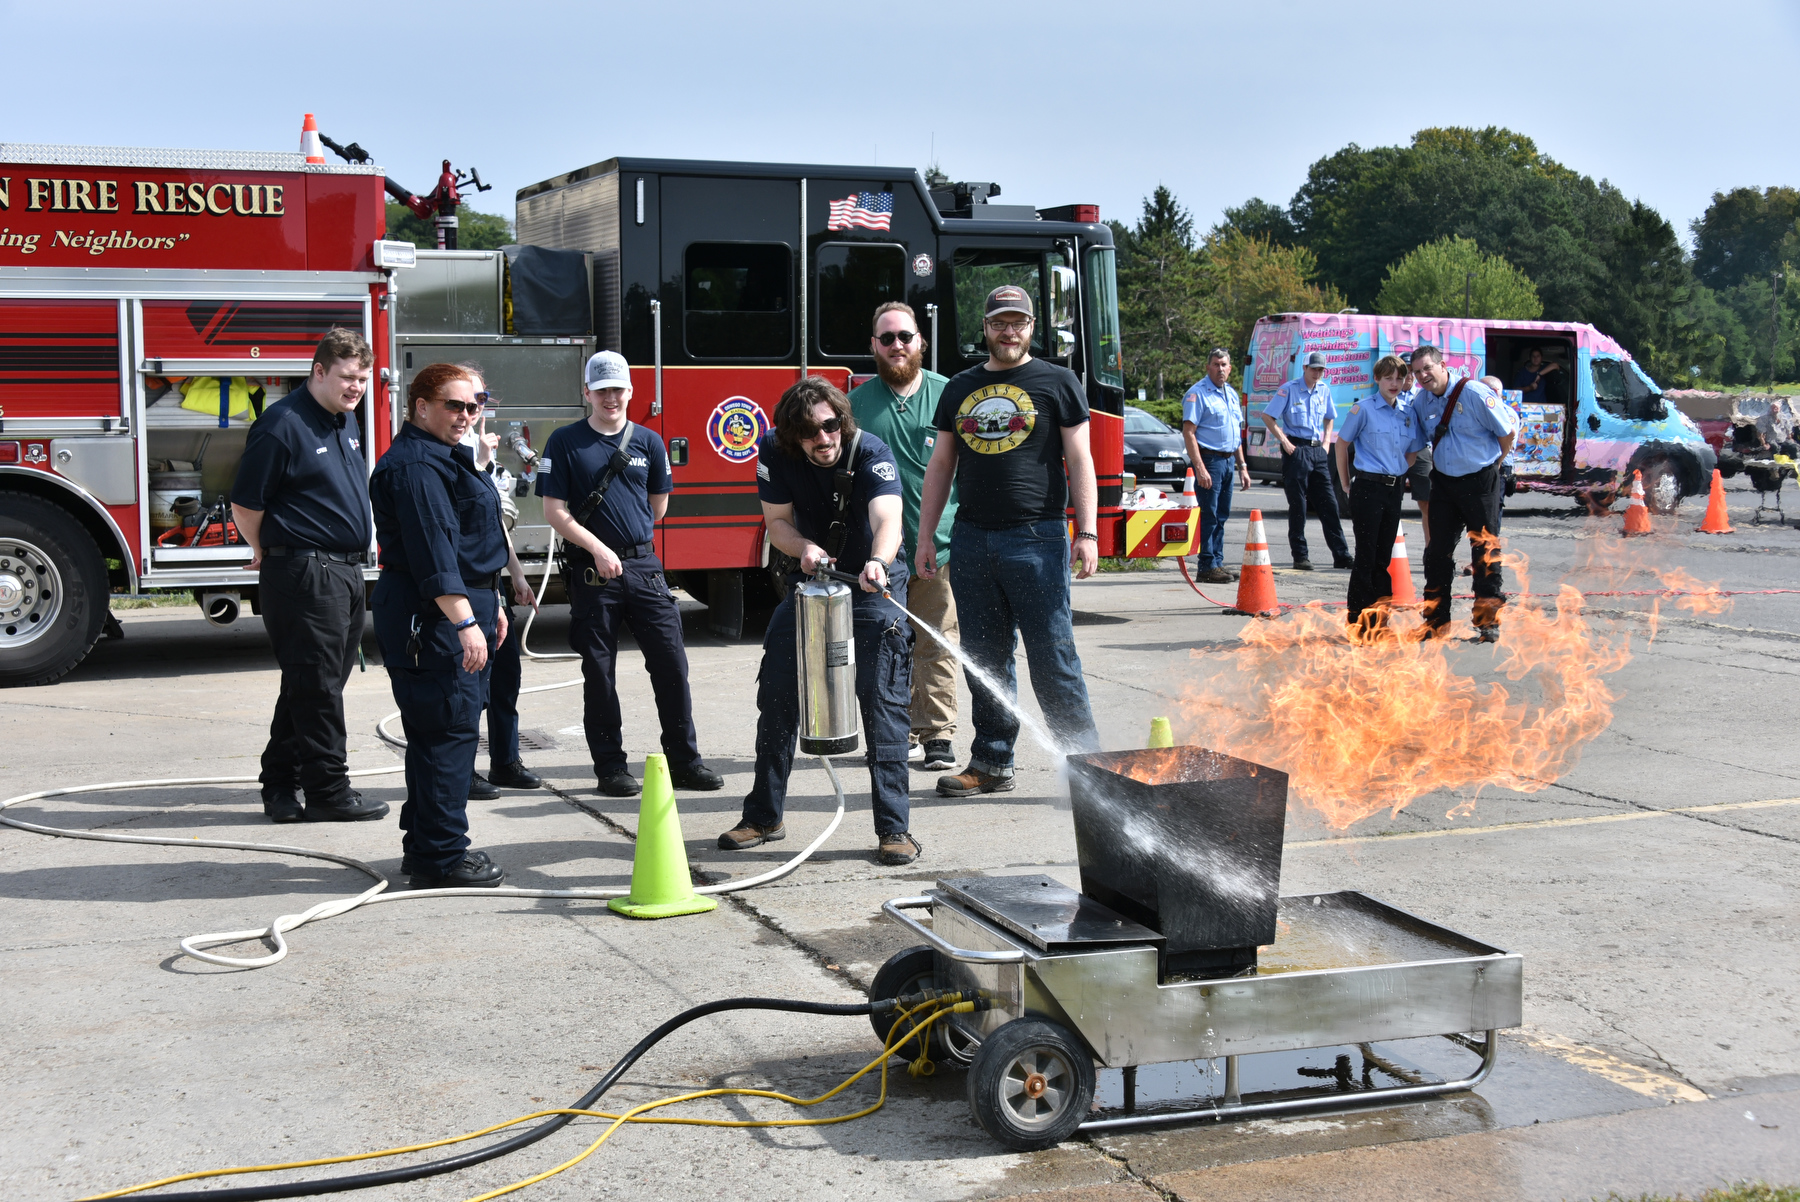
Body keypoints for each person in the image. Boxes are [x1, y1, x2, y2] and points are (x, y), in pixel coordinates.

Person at [720, 377, 920, 865]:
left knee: (883, 702)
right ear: (791, 437)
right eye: (810, 433)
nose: (824, 439)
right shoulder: (773, 451)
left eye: (831, 426)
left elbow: (889, 518)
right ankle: (764, 817)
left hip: (874, 584)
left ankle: (894, 830)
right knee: (779, 695)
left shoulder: (870, 450)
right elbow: (777, 524)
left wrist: (878, 559)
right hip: (814, 582)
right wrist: (805, 548)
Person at [915, 284, 1101, 797]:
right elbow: (941, 465)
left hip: (1037, 538)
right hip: (972, 539)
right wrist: (927, 536)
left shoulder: (1059, 382)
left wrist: (1086, 531)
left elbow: (1081, 460)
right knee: (985, 661)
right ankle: (992, 764)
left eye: (1018, 322)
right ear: (987, 328)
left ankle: (1087, 769)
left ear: (1032, 327)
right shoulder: (960, 387)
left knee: (1053, 658)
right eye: (1000, 322)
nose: (1009, 331)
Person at [541, 351, 723, 798]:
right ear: (587, 392)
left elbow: (657, 505)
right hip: (591, 570)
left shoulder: (648, 441)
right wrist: (599, 548)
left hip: (644, 567)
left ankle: (685, 761)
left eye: (618, 389)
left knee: (671, 665)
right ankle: (610, 768)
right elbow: (554, 511)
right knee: (599, 672)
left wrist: (628, 544)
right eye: (601, 390)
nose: (611, 398)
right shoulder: (565, 442)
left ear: (631, 391)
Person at [230, 329, 388, 825]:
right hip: (304, 570)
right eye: (346, 377)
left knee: (313, 683)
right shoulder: (282, 425)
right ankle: (328, 790)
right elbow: (245, 504)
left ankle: (280, 784)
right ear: (318, 371)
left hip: (342, 570)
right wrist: (267, 550)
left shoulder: (345, 419)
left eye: (362, 378)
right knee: (317, 687)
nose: (356, 387)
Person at [368, 363, 510, 888]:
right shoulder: (415, 467)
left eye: (475, 405)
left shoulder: (442, 457)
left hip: (451, 609)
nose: (467, 415)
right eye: (455, 405)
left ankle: (425, 845)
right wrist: (465, 621)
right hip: (432, 619)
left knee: (436, 735)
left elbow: (471, 544)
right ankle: (443, 857)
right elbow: (434, 553)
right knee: (447, 735)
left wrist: (487, 601)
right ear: (421, 405)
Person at [849, 302, 959, 772]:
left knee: (936, 640)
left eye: (905, 337)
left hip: (939, 544)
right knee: (887, 644)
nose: (897, 345)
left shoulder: (950, 394)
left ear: (922, 342)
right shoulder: (852, 405)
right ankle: (897, 733)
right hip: (880, 552)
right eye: (887, 338)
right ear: (873, 345)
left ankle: (938, 735)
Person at [459, 367, 541, 799]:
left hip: (492, 586)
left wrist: (518, 576)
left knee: (506, 676)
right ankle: (464, 771)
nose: (474, 411)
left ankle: (506, 762)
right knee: (470, 686)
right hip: (462, 588)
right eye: (467, 402)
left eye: (480, 401)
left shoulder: (483, 449)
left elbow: (497, 525)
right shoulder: (448, 450)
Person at [1407, 346, 1519, 644]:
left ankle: (1486, 622)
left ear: (1443, 365)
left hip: (1480, 481)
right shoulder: (1421, 401)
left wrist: (1493, 465)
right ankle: (1435, 621)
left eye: (1427, 368)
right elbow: (1417, 442)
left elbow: (1506, 433)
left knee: (1485, 551)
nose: (1422, 376)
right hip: (1443, 482)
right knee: (1436, 553)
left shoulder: (1476, 394)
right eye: (1417, 372)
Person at [1333, 355, 1423, 636]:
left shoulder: (1407, 413)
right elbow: (1341, 445)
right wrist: (1347, 484)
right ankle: (1358, 621)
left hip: (1393, 488)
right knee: (1366, 556)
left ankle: (1380, 621)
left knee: (1383, 558)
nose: (1394, 383)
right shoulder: (1364, 410)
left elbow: (1414, 450)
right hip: (1368, 488)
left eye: (1399, 378)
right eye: (1388, 378)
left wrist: (1397, 470)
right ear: (1377, 380)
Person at [1260, 350, 1352, 571]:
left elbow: (1330, 417)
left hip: (1317, 450)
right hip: (1297, 449)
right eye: (1314, 369)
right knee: (1298, 505)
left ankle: (1342, 555)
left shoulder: (1323, 389)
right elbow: (1267, 416)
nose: (1317, 373)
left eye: (1321, 370)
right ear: (1304, 368)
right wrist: (1284, 440)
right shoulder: (1289, 389)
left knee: (1330, 504)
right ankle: (1300, 556)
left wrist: (1327, 441)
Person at [1179, 348, 1252, 584]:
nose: (1220, 369)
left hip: (1229, 460)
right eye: (1215, 364)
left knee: (1222, 515)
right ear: (1208, 367)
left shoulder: (1230, 394)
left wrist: (1242, 465)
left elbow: (1236, 433)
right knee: (1209, 515)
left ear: (1230, 368)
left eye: (1224, 365)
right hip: (1210, 460)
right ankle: (1206, 565)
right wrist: (1200, 468)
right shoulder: (1197, 394)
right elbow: (1189, 433)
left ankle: (1217, 563)